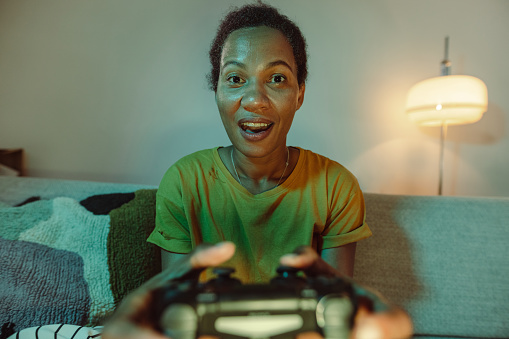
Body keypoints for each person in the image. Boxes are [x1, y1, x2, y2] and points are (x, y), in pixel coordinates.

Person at [10, 3, 412, 339]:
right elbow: (176, 306)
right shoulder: (183, 182)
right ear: (217, 91)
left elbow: (336, 311)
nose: (255, 100)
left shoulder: (336, 186)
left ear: (299, 93)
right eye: (235, 78)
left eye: (277, 79)